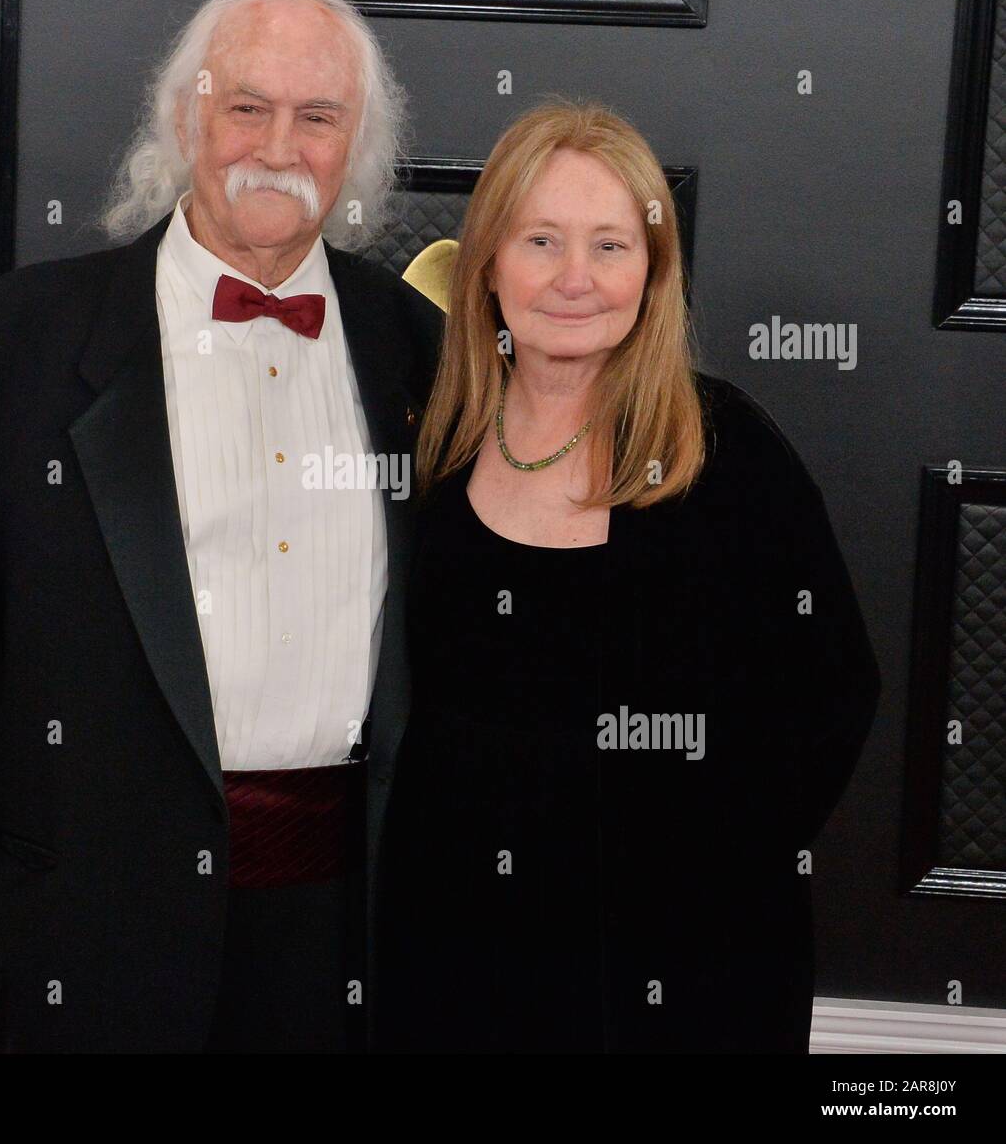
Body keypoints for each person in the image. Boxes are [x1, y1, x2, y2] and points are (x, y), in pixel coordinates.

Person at [0, 0, 442, 1053]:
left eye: (317, 116)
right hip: (87, 924)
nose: (276, 143)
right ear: (181, 114)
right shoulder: (7, 343)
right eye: (244, 105)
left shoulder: (423, 351)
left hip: (352, 935)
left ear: (358, 148)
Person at [374, 99, 881, 1053]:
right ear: (486, 262)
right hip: (456, 961)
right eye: (542, 241)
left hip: (684, 972)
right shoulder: (424, 445)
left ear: (653, 273)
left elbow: (833, 693)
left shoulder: (729, 453)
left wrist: (699, 873)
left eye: (612, 245)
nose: (576, 279)